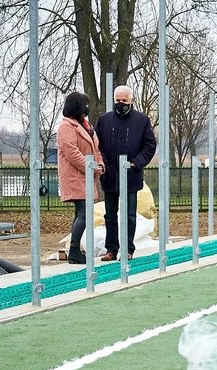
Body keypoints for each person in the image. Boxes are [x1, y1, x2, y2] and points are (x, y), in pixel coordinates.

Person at [94, 85, 156, 261]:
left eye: (124, 101)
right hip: (111, 175)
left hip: (131, 175)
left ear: (131, 101)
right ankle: (111, 250)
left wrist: (136, 163)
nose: (121, 104)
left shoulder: (142, 121)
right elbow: (98, 146)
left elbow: (149, 145)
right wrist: (104, 163)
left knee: (129, 215)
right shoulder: (104, 121)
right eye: (118, 101)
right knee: (110, 215)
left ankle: (128, 249)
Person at [56, 91, 105, 264]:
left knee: (81, 213)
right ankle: (74, 250)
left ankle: (74, 250)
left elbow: (95, 148)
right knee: (84, 213)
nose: (87, 108)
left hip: (87, 175)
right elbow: (72, 153)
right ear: (77, 106)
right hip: (75, 176)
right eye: (84, 104)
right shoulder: (66, 127)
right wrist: (91, 167)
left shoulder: (86, 125)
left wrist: (99, 164)